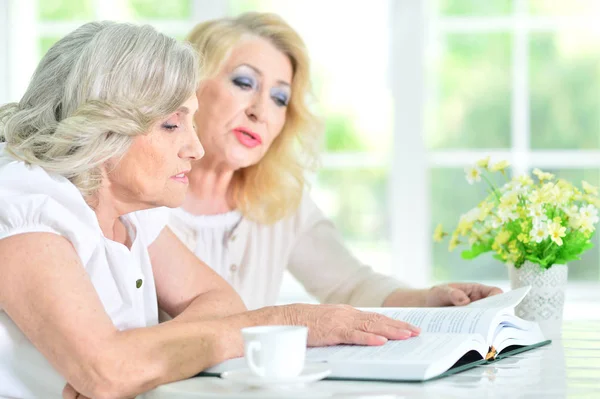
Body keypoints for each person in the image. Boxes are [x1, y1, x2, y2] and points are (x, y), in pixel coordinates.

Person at [0, 21, 421, 399]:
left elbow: (220, 301)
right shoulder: (26, 202)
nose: (194, 147)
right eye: (171, 124)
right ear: (102, 125)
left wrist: (139, 359)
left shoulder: (132, 208)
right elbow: (109, 373)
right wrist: (283, 320)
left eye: (191, 121)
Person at [170, 12, 502, 310]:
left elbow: (350, 285)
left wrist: (427, 298)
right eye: (244, 82)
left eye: (279, 98)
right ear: (190, 87)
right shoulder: (139, 199)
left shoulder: (280, 201)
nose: (261, 111)